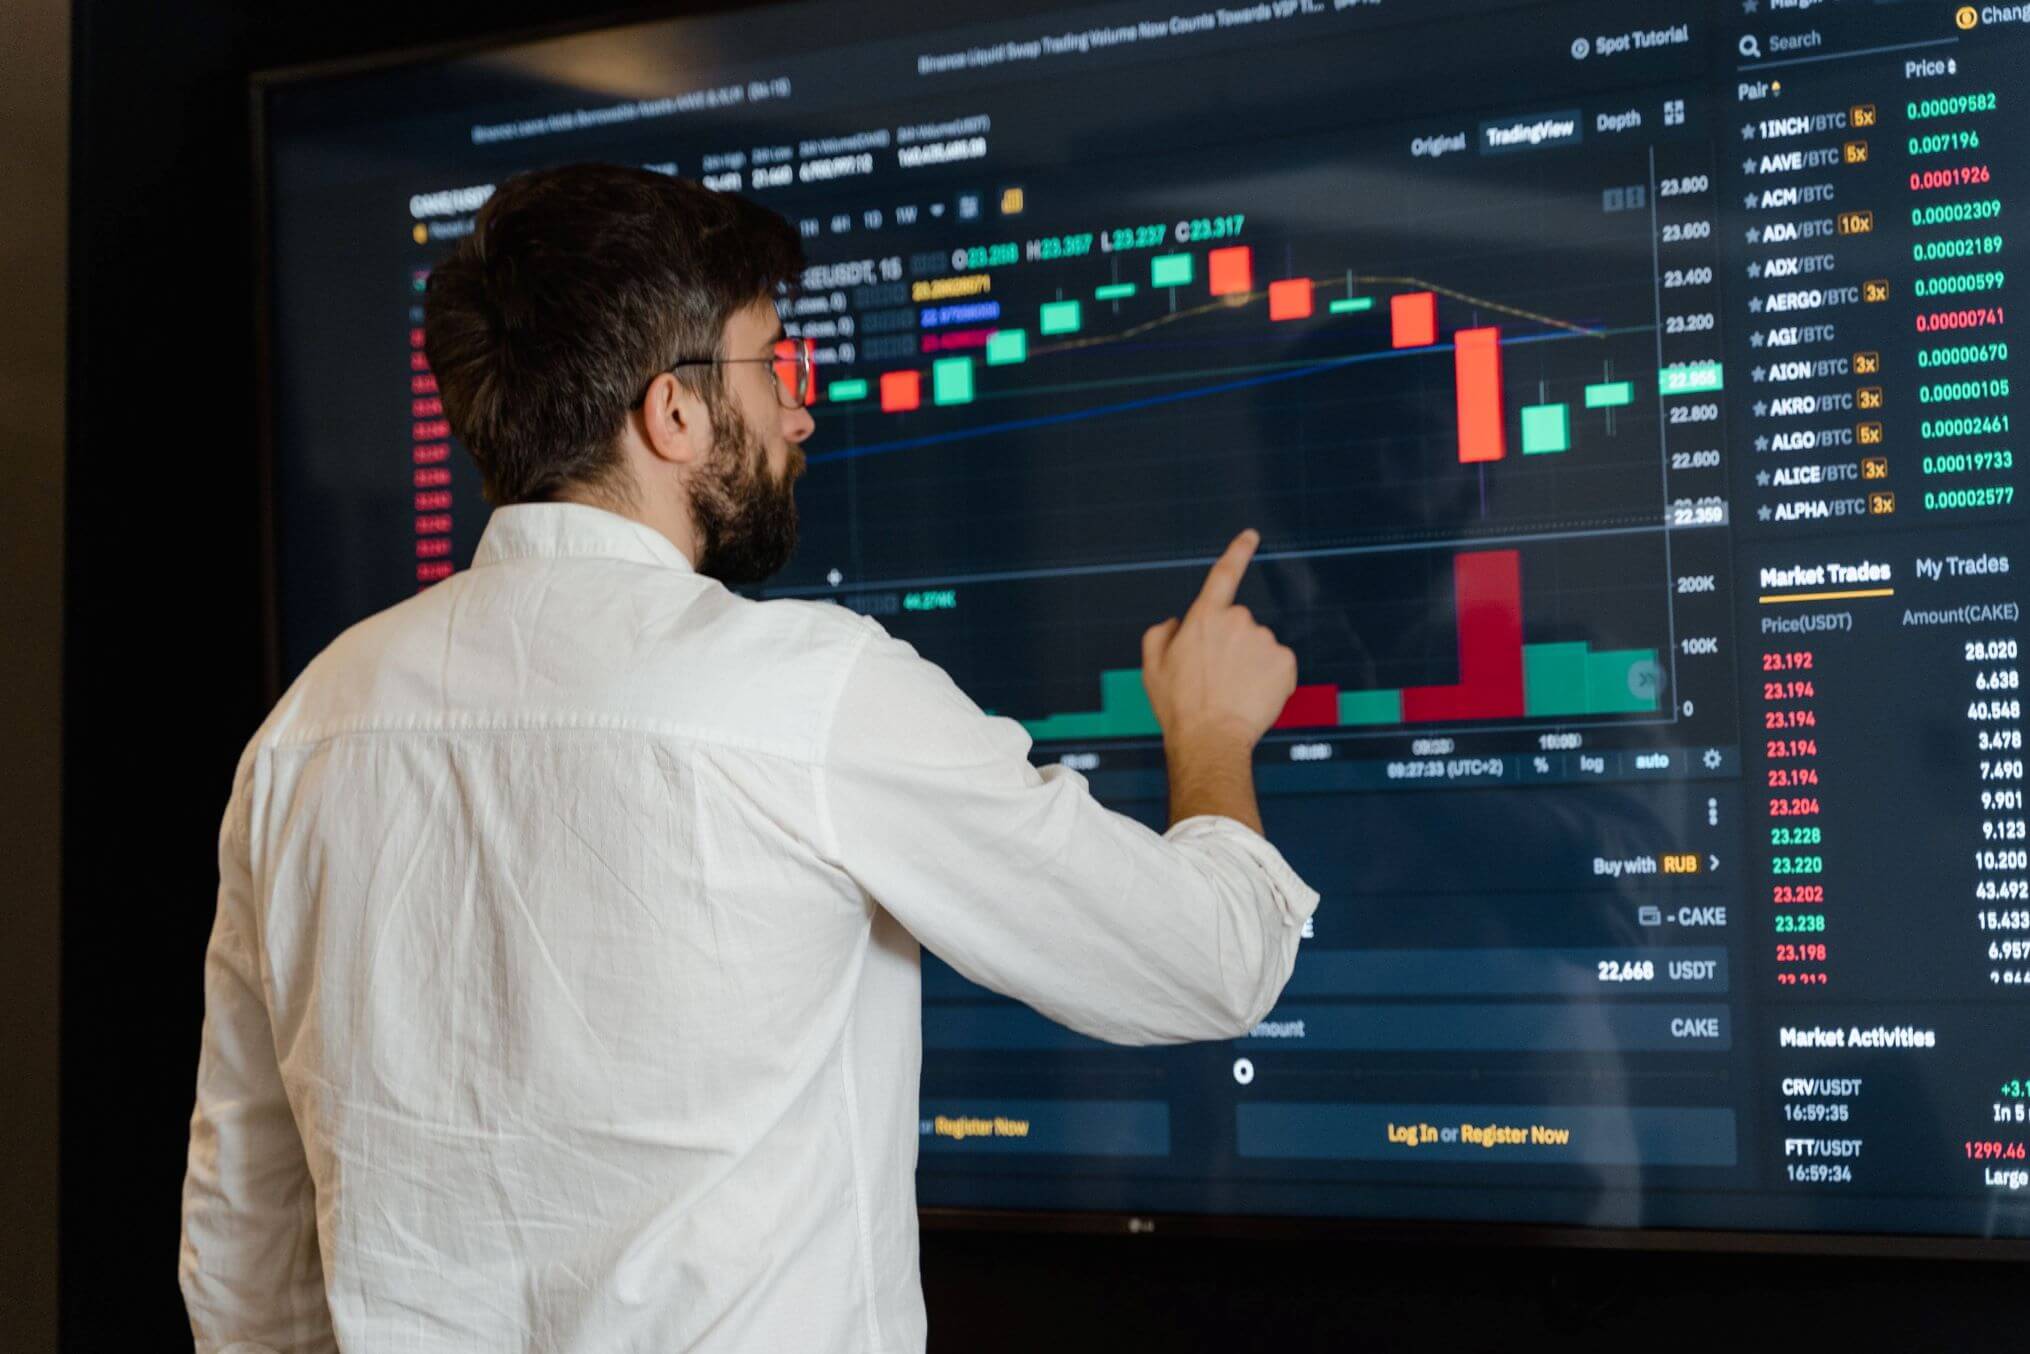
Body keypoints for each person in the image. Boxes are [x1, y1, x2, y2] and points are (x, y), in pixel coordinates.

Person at [180, 163, 1317, 1353]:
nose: (798, 413)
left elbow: (246, 1250)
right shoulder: (809, 693)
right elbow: (1208, 961)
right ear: (670, 412)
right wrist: (1210, 734)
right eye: (774, 364)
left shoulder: (305, 731)